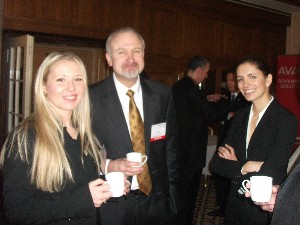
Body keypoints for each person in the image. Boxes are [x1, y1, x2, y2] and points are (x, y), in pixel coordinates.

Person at [0, 52, 113, 225]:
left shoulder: (87, 134)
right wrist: (84, 199)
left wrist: (105, 186)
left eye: (78, 79)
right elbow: (16, 210)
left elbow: (77, 184)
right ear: (44, 86)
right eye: (61, 79)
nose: (71, 87)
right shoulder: (26, 136)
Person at [89, 27, 179, 225]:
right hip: (111, 205)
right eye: (121, 52)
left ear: (143, 55)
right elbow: (82, 153)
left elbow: (170, 151)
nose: (131, 58)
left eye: (136, 51)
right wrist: (110, 165)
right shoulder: (89, 98)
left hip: (156, 202)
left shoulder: (162, 94)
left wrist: (172, 201)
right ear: (109, 59)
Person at [212, 56, 298, 225]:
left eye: (252, 77)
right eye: (240, 79)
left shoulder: (285, 120)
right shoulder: (240, 116)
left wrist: (237, 165)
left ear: (268, 79)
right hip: (235, 207)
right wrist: (248, 165)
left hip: (263, 212)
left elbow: (273, 171)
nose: (245, 85)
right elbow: (217, 164)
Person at [172, 56, 226, 225]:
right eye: (207, 72)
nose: (206, 76)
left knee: (179, 191)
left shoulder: (178, 86)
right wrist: (224, 103)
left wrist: (207, 100)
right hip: (191, 151)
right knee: (189, 193)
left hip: (179, 148)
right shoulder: (193, 89)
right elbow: (210, 114)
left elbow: (192, 109)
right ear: (199, 70)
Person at [209, 71, 250, 217]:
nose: (229, 83)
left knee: (231, 180)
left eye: (233, 80)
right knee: (219, 177)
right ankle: (222, 208)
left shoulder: (245, 99)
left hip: (236, 147)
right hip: (223, 141)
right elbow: (217, 115)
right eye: (227, 80)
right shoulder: (224, 98)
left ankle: (230, 209)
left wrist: (229, 115)